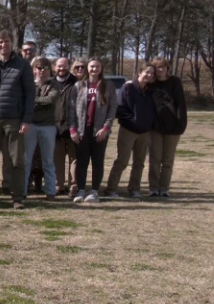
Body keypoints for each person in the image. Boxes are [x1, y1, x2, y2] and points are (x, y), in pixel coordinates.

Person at [0, 30, 34, 209]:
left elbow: (29, 94)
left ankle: (17, 197)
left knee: (16, 160)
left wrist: (26, 120)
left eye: (7, 41)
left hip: (14, 119)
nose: (4, 45)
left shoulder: (22, 65)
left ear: (12, 44)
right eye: (0, 42)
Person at [68, 58, 117, 204]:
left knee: (97, 161)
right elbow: (71, 109)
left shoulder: (108, 86)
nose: (94, 69)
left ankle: (94, 191)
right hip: (82, 130)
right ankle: (81, 190)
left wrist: (106, 128)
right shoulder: (79, 85)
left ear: (101, 69)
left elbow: (112, 108)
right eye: (91, 67)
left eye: (97, 67)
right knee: (81, 161)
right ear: (87, 68)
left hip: (100, 131)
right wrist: (73, 129)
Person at [106, 64, 156, 199]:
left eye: (152, 73)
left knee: (139, 162)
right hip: (128, 130)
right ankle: (111, 188)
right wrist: (133, 122)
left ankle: (134, 188)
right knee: (122, 160)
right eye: (147, 72)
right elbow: (120, 109)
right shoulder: (128, 87)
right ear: (140, 72)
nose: (149, 75)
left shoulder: (151, 90)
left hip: (145, 132)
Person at [148, 57, 188, 197]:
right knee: (154, 159)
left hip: (173, 126)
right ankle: (153, 188)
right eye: (157, 67)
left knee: (168, 160)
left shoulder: (175, 82)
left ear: (167, 68)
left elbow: (181, 104)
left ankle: (164, 188)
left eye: (163, 67)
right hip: (155, 127)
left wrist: (181, 124)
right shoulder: (151, 83)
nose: (160, 70)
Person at [25, 56, 59, 200]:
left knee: (48, 160)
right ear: (33, 70)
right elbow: (24, 101)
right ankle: (22, 191)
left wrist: (33, 101)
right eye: (39, 68)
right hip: (30, 125)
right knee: (26, 160)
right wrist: (36, 101)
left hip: (48, 126)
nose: (42, 71)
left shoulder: (54, 84)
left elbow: (51, 100)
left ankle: (50, 191)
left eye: (45, 68)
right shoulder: (28, 84)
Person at [53, 57, 80, 197]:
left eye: (64, 66)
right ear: (54, 67)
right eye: (59, 66)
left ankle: (73, 186)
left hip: (72, 127)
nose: (62, 68)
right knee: (57, 159)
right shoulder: (50, 83)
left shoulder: (76, 83)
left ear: (69, 66)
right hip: (55, 128)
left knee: (73, 159)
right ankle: (59, 185)